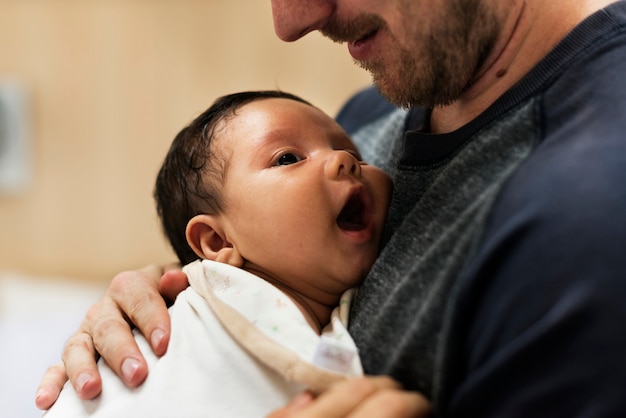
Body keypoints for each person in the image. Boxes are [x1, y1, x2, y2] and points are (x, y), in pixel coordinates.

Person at [37, 1, 626, 417]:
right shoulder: (370, 116)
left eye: (336, 151)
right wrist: (156, 296)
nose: (290, 19)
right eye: (290, 158)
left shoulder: (586, 214)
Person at [43, 90, 403, 417]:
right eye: (288, 158)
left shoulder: (321, 316)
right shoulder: (210, 313)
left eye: (357, 154)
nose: (344, 159)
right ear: (217, 242)